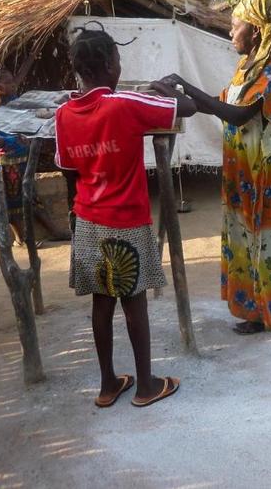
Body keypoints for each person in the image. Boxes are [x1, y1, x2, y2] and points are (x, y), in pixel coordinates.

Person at [55, 26, 196, 407]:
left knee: (101, 303)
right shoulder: (125, 105)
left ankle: (107, 385)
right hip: (127, 221)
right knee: (135, 304)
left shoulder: (64, 114)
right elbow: (188, 109)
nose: (120, 64)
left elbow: (68, 167)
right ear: (108, 66)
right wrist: (167, 92)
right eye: (117, 59)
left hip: (88, 220)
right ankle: (147, 385)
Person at [163, 0, 271, 334]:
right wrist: (184, 94)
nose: (230, 32)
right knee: (260, 232)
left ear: (254, 31)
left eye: (235, 25)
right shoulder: (248, 67)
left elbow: (239, 114)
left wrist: (186, 85)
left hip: (264, 166)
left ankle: (263, 310)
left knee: (265, 233)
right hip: (245, 163)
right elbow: (221, 103)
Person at [0, 67, 69, 244]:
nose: (13, 85)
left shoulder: (15, 102)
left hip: (21, 158)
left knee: (30, 196)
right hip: (5, 162)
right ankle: (22, 238)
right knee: (11, 201)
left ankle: (54, 231)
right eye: (8, 82)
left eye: (12, 81)